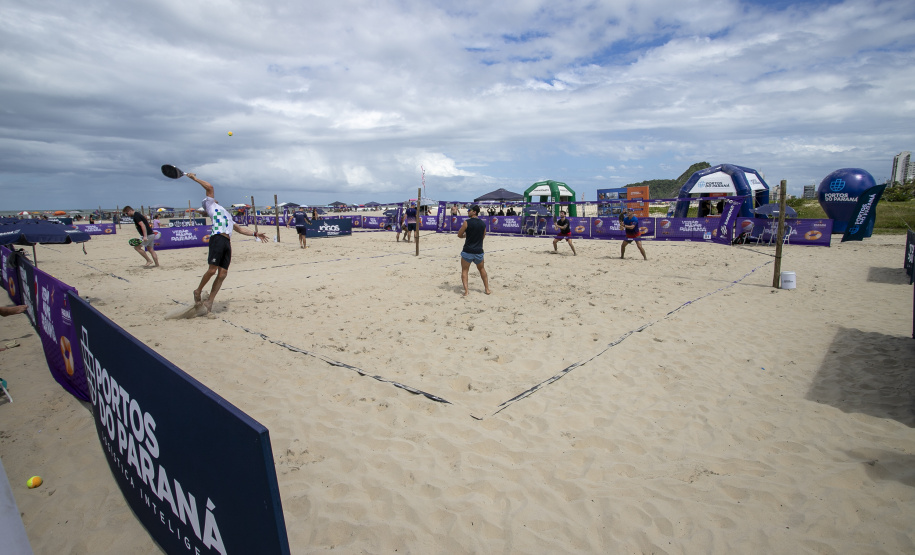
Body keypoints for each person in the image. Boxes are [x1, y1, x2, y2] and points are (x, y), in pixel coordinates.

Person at [185, 173, 268, 315]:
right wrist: (194, 179)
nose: (214, 198)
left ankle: (209, 302)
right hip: (217, 238)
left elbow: (240, 229)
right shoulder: (211, 206)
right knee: (212, 270)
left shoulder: (226, 214)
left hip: (226, 241)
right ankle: (198, 291)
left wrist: (255, 234)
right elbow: (209, 187)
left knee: (223, 274)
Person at [456, 204, 491, 297]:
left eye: (469, 210)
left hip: (468, 250)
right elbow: (483, 237)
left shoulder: (466, 222)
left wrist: (466, 236)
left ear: (474, 212)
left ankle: (466, 291)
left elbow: (459, 235)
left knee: (465, 270)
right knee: (482, 269)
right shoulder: (483, 224)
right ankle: (487, 289)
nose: (468, 211)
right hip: (478, 250)